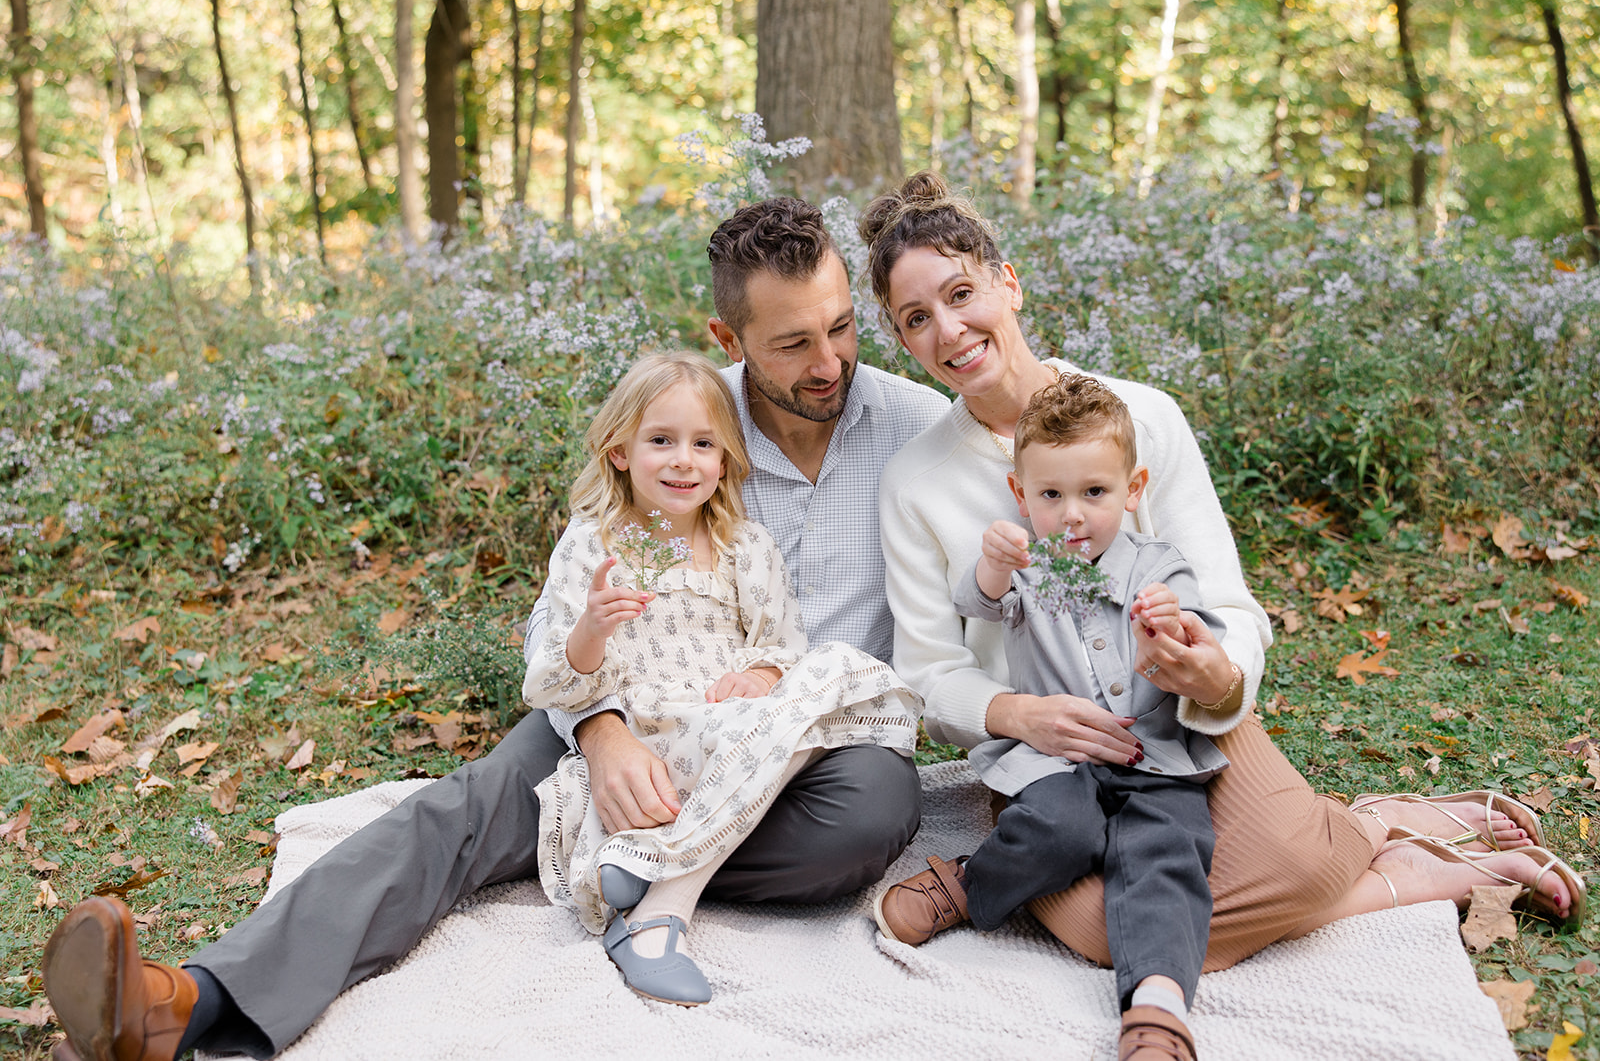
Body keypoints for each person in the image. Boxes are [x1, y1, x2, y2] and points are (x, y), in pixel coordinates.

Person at [40, 197, 948, 1060]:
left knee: (877, 811)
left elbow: (1049, 451)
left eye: (841, 327)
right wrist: (599, 732)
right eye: (792, 342)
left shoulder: (918, 428)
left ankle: (603, 857)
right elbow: (561, 606)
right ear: (728, 340)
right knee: (459, 812)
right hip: (633, 711)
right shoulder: (683, 422)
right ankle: (186, 1003)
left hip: (808, 751)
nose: (829, 360)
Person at [864, 170, 1581, 1051]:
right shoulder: (918, 479)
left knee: (1290, 863)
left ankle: (1377, 828)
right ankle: (1398, 853)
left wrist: (1213, 671)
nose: (949, 331)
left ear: (1008, 282)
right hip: (1049, 759)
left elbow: (1229, 603)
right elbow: (927, 670)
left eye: (961, 293)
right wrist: (1021, 713)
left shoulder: (1145, 421)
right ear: (902, 341)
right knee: (1099, 928)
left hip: (1176, 725)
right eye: (915, 319)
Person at [525, 352, 918, 1005]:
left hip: (731, 730)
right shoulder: (593, 542)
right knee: (833, 690)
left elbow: (783, 642)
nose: (684, 459)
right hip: (652, 736)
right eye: (661, 440)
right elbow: (559, 681)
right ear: (620, 452)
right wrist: (592, 628)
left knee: (834, 672)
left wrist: (761, 672)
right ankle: (659, 909)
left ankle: (644, 860)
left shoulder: (744, 543)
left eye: (704, 443)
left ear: (726, 459)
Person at [875, 373, 1236, 1060]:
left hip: (1152, 755)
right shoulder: (1028, 570)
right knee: (1059, 829)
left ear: (1132, 490)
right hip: (1056, 759)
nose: (1072, 514)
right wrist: (992, 565)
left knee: (1167, 854)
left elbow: (1200, 635)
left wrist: (1174, 626)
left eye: (1094, 493)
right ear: (1022, 495)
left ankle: (1156, 1008)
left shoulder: (1157, 566)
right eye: (1051, 494)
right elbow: (974, 605)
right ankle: (969, 881)